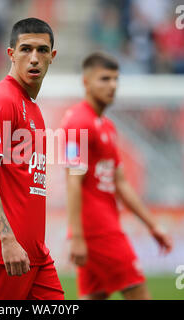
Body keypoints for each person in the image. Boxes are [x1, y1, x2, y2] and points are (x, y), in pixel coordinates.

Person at [0, 18, 64, 300]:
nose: (34, 58)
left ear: (52, 57)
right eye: (26, 49)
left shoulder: (32, 108)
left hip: (35, 257)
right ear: (11, 54)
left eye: (42, 50)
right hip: (2, 255)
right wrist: (7, 240)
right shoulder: (2, 100)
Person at [61, 52, 173, 300]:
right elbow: (73, 180)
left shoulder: (107, 126)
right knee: (139, 293)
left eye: (115, 79)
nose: (112, 86)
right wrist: (77, 236)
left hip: (102, 224)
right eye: (104, 79)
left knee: (94, 296)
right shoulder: (79, 121)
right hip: (97, 229)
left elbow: (121, 183)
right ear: (86, 82)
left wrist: (152, 225)